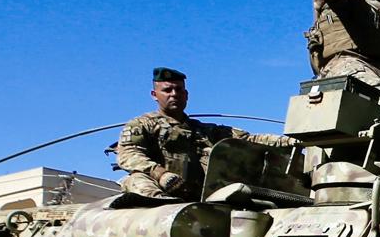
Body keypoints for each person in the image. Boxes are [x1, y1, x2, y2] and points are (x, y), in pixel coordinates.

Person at [116, 68, 294, 200]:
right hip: (160, 188)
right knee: (136, 180)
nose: (174, 94)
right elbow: (128, 154)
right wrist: (161, 174)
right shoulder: (142, 125)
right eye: (167, 90)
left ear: (186, 94)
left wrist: (291, 141)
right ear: (154, 95)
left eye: (179, 90)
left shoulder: (204, 130)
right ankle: (161, 203)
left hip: (198, 195)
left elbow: (249, 139)